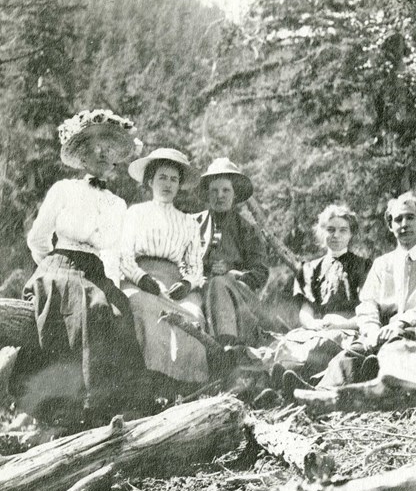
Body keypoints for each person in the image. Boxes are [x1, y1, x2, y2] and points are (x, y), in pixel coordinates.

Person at [22, 109, 144, 423]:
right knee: (81, 306)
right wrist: (50, 266)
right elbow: (37, 238)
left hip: (96, 272)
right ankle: (68, 406)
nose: (102, 153)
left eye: (109, 148)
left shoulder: (117, 204)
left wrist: (112, 285)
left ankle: (111, 405)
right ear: (82, 154)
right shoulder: (64, 190)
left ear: (116, 158)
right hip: (60, 264)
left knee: (115, 309)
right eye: (94, 146)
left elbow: (113, 253)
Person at [312, 192, 416, 390]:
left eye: (410, 217)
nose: (404, 224)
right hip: (381, 335)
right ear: (391, 226)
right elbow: (368, 305)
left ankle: (368, 382)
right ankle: (318, 393)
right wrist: (372, 331)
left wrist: (400, 322)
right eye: (398, 219)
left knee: (389, 352)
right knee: (349, 355)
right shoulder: (382, 264)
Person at [120, 148, 209, 389]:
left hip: (174, 282)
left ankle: (182, 387)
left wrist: (187, 284)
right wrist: (142, 278)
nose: (168, 184)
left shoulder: (188, 223)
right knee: (143, 307)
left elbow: (194, 265)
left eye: (174, 179)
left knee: (192, 315)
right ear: (150, 181)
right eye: (162, 177)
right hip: (139, 278)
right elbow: (124, 255)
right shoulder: (135, 213)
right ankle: (147, 384)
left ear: (180, 185)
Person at [272, 205, 371, 390]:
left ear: (351, 234)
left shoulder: (363, 266)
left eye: (343, 230)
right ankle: (286, 384)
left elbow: (368, 312)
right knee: (286, 345)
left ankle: (315, 386)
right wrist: (312, 324)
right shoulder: (309, 269)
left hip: (348, 329)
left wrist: (342, 324)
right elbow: (306, 311)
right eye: (330, 230)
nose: (336, 235)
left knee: (328, 344)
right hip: (317, 329)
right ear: (321, 232)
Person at [194, 158, 269, 347]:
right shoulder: (192, 224)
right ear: (208, 194)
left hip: (239, 297)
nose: (220, 196)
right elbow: (182, 259)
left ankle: (227, 346)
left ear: (234, 194)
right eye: (214, 190)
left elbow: (260, 272)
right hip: (198, 288)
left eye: (226, 190)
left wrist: (233, 273)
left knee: (219, 283)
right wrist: (207, 267)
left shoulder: (247, 229)